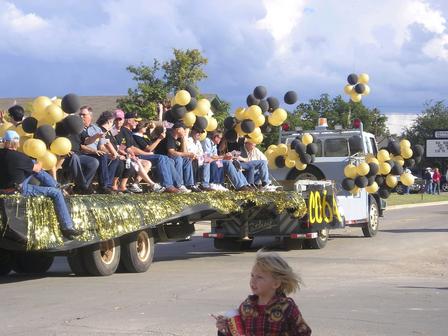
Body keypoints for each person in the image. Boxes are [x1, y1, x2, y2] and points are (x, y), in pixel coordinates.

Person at [0, 130, 82, 240]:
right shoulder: (19, 157)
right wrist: (40, 163)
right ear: (17, 143)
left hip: (2, 188)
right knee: (54, 191)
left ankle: (56, 185)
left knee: (31, 166)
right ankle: (67, 227)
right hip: (17, 189)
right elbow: (37, 169)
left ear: (4, 142)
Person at [214, 250, 312, 335]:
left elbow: (304, 332)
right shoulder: (246, 307)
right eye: (252, 275)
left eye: (259, 277)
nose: (253, 280)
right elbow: (237, 332)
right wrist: (224, 329)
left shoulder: (287, 307)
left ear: (276, 283)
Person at [155, 121, 200, 192]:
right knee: (178, 159)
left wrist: (184, 139)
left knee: (187, 160)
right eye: (184, 130)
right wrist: (187, 154)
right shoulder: (169, 135)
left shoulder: (178, 139)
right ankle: (179, 184)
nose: (185, 132)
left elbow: (184, 152)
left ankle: (189, 184)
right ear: (178, 129)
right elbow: (171, 152)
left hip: (171, 158)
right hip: (164, 158)